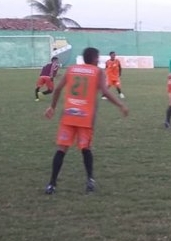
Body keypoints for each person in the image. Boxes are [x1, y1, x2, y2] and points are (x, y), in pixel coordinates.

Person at [43, 47, 128, 194]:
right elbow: (106, 92)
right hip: (85, 117)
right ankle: (89, 180)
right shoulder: (97, 72)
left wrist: (52, 107)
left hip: (69, 115)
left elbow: (57, 89)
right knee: (85, 149)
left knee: (61, 150)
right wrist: (120, 105)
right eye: (98, 57)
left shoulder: (71, 69)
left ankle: (52, 183)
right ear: (95, 59)